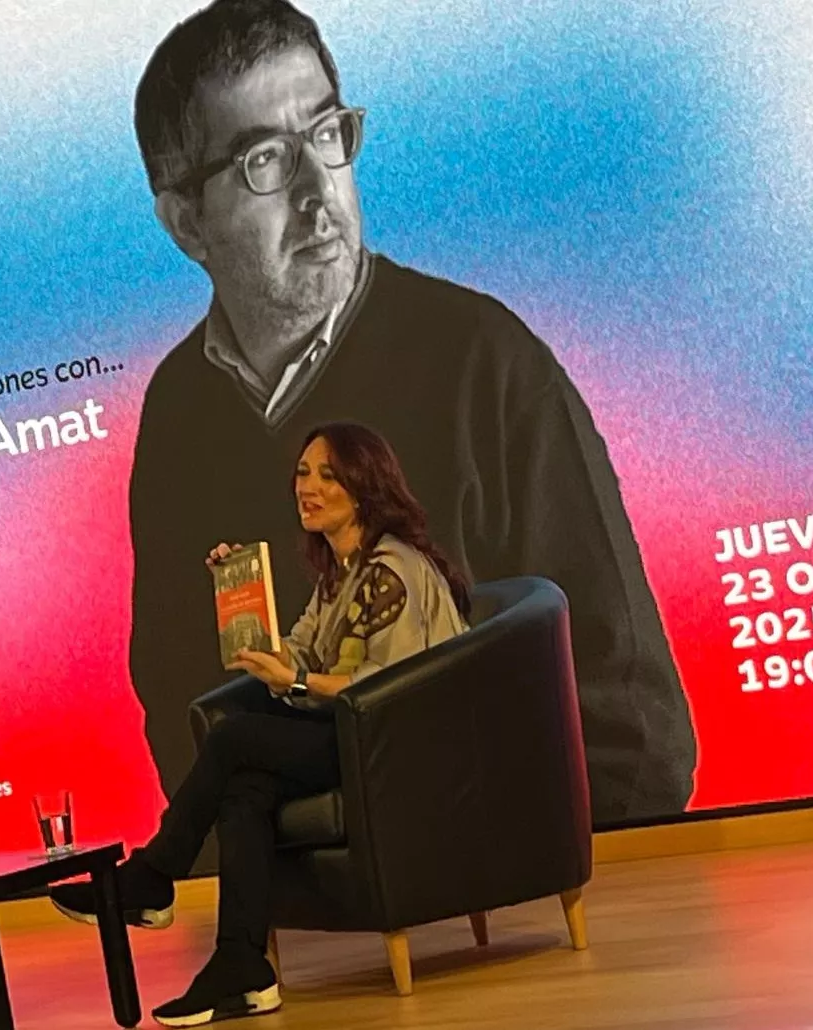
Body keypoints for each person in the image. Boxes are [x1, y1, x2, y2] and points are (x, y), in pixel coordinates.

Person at [126, 0, 696, 829]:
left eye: (327, 135)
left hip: (507, 874)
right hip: (308, 900)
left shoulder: (484, 360)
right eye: (264, 162)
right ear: (186, 223)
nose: (319, 191)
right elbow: (177, 692)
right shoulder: (177, 408)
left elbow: (629, 714)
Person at [55, 423, 470, 1026]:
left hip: (393, 746)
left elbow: (384, 690)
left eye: (328, 475)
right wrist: (238, 591)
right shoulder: (342, 569)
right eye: (303, 472)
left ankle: (151, 876)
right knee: (245, 787)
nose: (308, 486)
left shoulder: (391, 570)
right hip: (350, 737)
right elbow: (294, 652)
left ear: (365, 487)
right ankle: (240, 965)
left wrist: (296, 685)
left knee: (235, 737)